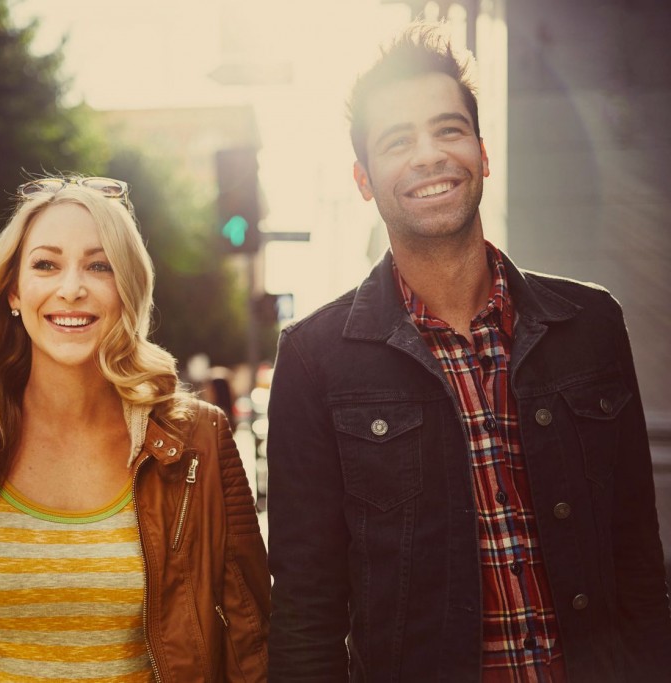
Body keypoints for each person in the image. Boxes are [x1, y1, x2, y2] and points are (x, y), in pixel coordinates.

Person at [266, 23, 671, 683]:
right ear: (364, 179)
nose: (430, 155)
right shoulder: (315, 359)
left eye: (449, 130)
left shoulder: (590, 323)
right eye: (398, 140)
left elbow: (639, 565)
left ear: (483, 153)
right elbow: (306, 611)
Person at [0, 176, 270, 682]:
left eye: (99, 266)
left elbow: (252, 642)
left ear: (127, 290)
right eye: (46, 264)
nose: (72, 287)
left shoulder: (198, 442)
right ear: (14, 290)